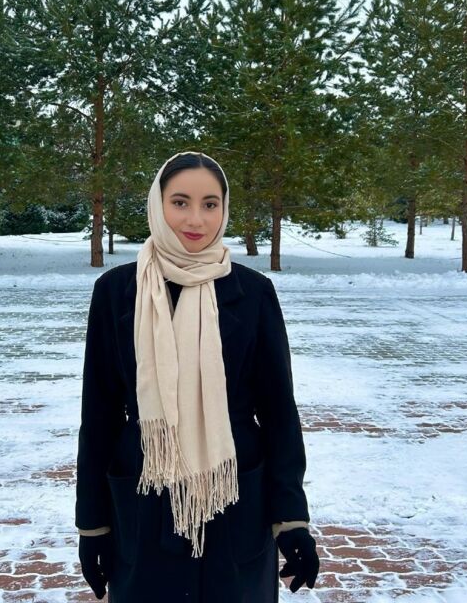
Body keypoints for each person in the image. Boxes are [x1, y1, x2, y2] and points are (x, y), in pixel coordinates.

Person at [76, 150, 319, 602]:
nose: (196, 219)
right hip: (145, 496)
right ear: (158, 205)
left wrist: (292, 518)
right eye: (180, 202)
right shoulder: (116, 291)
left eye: (210, 204)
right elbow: (99, 414)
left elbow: (279, 412)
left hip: (234, 496)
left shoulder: (253, 292)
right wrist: (92, 525)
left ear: (224, 209)